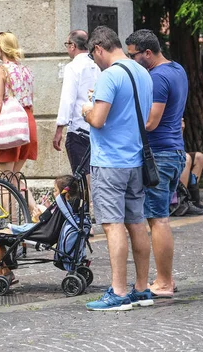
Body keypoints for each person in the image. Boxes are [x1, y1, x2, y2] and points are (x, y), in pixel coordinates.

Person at [82, 26, 153, 311]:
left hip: (110, 161)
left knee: (112, 226)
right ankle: (142, 288)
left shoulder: (109, 75)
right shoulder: (142, 73)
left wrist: (85, 110)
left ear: (99, 47)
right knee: (136, 223)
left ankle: (119, 292)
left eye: (93, 55)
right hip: (135, 160)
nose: (94, 61)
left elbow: (98, 119)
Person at [125, 29, 187, 299]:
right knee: (159, 216)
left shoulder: (158, 77)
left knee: (157, 218)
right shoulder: (177, 69)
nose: (131, 60)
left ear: (147, 53)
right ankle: (165, 278)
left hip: (159, 155)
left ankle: (163, 281)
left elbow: (151, 122)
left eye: (133, 55)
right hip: (174, 152)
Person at [0, 175, 77, 292]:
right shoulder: (68, 208)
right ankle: (5, 271)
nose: (54, 193)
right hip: (42, 231)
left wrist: (40, 215)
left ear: (65, 194)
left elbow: (45, 224)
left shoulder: (62, 206)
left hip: (40, 234)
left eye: (56, 190)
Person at [0, 31, 38, 214]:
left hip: (10, 124)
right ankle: (37, 210)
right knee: (14, 176)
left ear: (0, 47)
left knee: (5, 179)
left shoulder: (0, 70)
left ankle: (11, 224)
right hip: (27, 123)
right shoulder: (26, 70)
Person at [53, 29, 100, 218]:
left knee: (80, 176)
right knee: (94, 172)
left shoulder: (73, 67)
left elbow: (68, 100)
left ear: (72, 46)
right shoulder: (97, 65)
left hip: (78, 128)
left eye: (67, 45)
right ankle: (98, 210)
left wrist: (59, 129)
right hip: (96, 126)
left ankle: (85, 216)